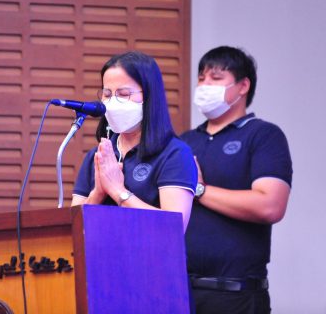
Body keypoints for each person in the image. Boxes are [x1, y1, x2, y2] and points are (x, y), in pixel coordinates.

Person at [180, 46, 293, 314]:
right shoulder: (184, 141)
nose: (205, 86)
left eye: (216, 78)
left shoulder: (263, 135)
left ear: (243, 86)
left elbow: (270, 206)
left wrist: (200, 190)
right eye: (201, 78)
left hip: (236, 295)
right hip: (180, 289)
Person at [72, 51, 197, 233]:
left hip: (148, 252)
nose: (113, 103)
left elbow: (174, 228)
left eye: (123, 94)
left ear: (149, 96)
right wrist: (98, 193)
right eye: (107, 94)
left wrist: (118, 191)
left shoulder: (175, 154)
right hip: (100, 251)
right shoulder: (98, 156)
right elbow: (74, 228)